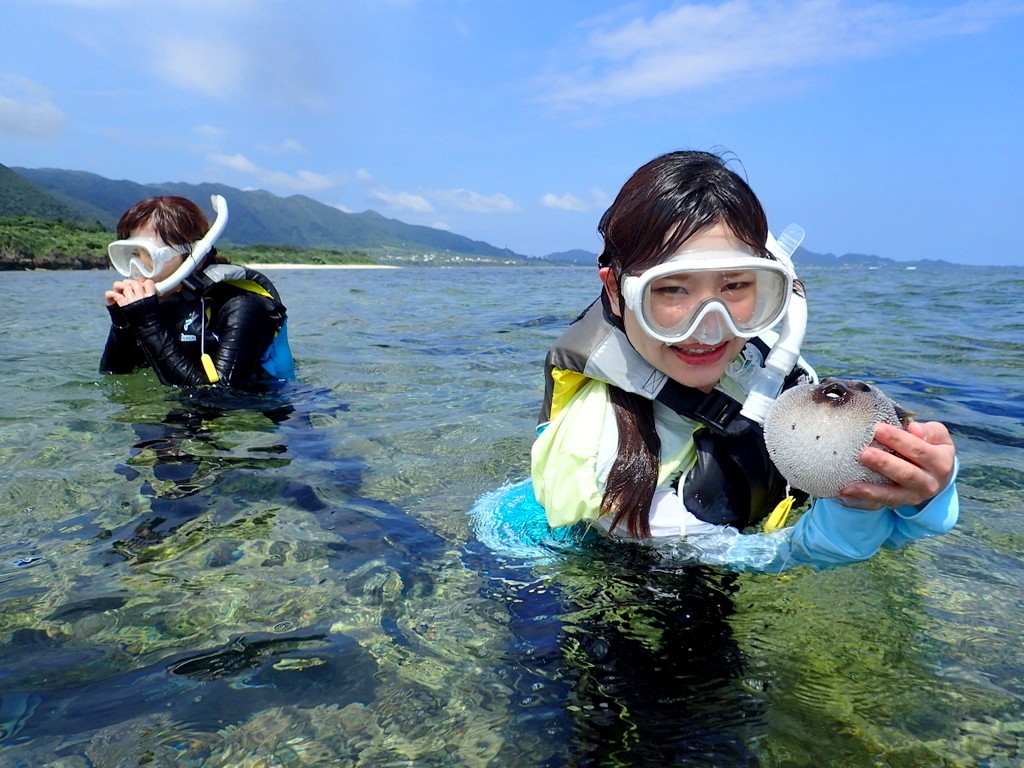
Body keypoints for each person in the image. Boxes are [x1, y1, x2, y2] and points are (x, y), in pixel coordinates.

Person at [529, 150, 958, 569]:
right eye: (672, 290)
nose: (709, 329)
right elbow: (770, 557)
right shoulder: (603, 457)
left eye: (734, 286)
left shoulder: (758, 366)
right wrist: (854, 507)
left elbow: (891, 530)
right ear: (615, 291)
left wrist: (925, 493)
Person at [100, 194, 294, 388]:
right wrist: (123, 325)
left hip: (267, 410)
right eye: (132, 255)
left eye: (148, 256)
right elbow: (114, 377)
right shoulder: (162, 305)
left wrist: (148, 325)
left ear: (194, 257)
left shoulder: (242, 307)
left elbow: (218, 398)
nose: (137, 269)